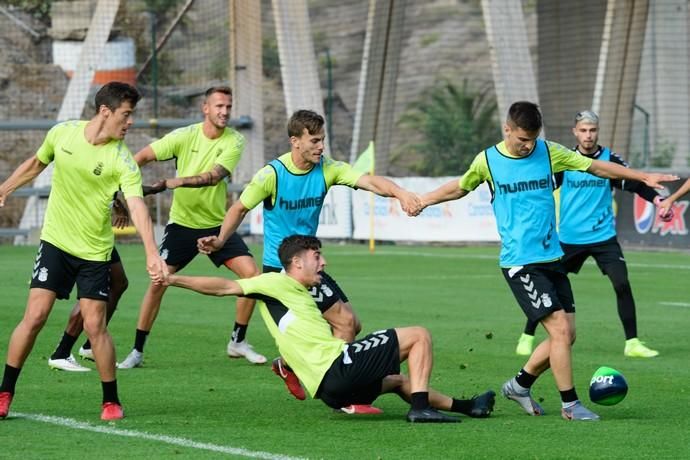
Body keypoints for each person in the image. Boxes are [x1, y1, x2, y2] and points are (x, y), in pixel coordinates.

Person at [410, 101, 676, 421]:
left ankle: (520, 386)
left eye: (532, 138)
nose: (527, 145)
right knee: (560, 331)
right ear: (507, 130)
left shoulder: (549, 151)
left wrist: (642, 176)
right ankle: (570, 404)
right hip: (521, 262)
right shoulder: (488, 160)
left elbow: (596, 167)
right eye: (522, 139)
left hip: (553, 257)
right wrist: (424, 200)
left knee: (567, 335)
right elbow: (460, 187)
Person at [197, 109, 420, 404]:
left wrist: (400, 193)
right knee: (344, 324)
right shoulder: (271, 174)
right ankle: (349, 395)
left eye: (322, 140)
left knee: (353, 324)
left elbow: (370, 181)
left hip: (310, 266)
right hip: (284, 271)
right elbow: (239, 208)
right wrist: (222, 240)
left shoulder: (327, 169)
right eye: (314, 140)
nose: (320, 146)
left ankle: (289, 365)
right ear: (295, 141)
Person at [157, 234, 495, 423]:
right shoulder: (272, 282)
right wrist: (173, 279)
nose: (323, 262)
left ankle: (468, 407)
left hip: (330, 391)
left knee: (398, 381)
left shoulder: (296, 292)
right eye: (317, 256)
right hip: (336, 368)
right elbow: (223, 286)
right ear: (297, 262)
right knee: (419, 334)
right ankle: (420, 409)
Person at [0, 82, 165, 421]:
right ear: (105, 112)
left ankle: (111, 400)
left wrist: (151, 252)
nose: (130, 122)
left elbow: (136, 208)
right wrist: (4, 189)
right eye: (126, 114)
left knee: (94, 326)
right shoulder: (63, 134)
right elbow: (36, 163)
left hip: (94, 252)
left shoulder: (122, 160)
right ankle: (5, 393)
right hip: (55, 243)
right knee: (34, 318)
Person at [117, 86, 266, 369]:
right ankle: (136, 351)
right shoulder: (184, 136)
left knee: (252, 278)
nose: (224, 112)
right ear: (205, 108)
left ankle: (237, 341)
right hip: (182, 226)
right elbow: (139, 158)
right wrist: (126, 186)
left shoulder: (234, 141)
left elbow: (214, 177)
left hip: (216, 227)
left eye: (228, 107)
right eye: (219, 106)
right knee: (158, 281)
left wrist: (173, 182)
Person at [514, 110, 671, 358]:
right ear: (575, 132)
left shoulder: (610, 160)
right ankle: (527, 335)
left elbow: (636, 184)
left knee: (621, 283)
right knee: (547, 286)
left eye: (593, 130)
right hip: (568, 239)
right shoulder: (564, 160)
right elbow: (540, 187)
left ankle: (632, 343)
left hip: (603, 238)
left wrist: (659, 200)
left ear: (598, 131)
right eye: (583, 130)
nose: (588, 135)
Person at [47, 183, 165, 372]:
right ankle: (61, 353)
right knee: (90, 294)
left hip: (98, 233)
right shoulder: (86, 157)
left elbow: (107, 181)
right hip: (84, 235)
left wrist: (117, 203)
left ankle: (90, 346)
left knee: (119, 283)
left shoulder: (108, 157)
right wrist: (147, 189)